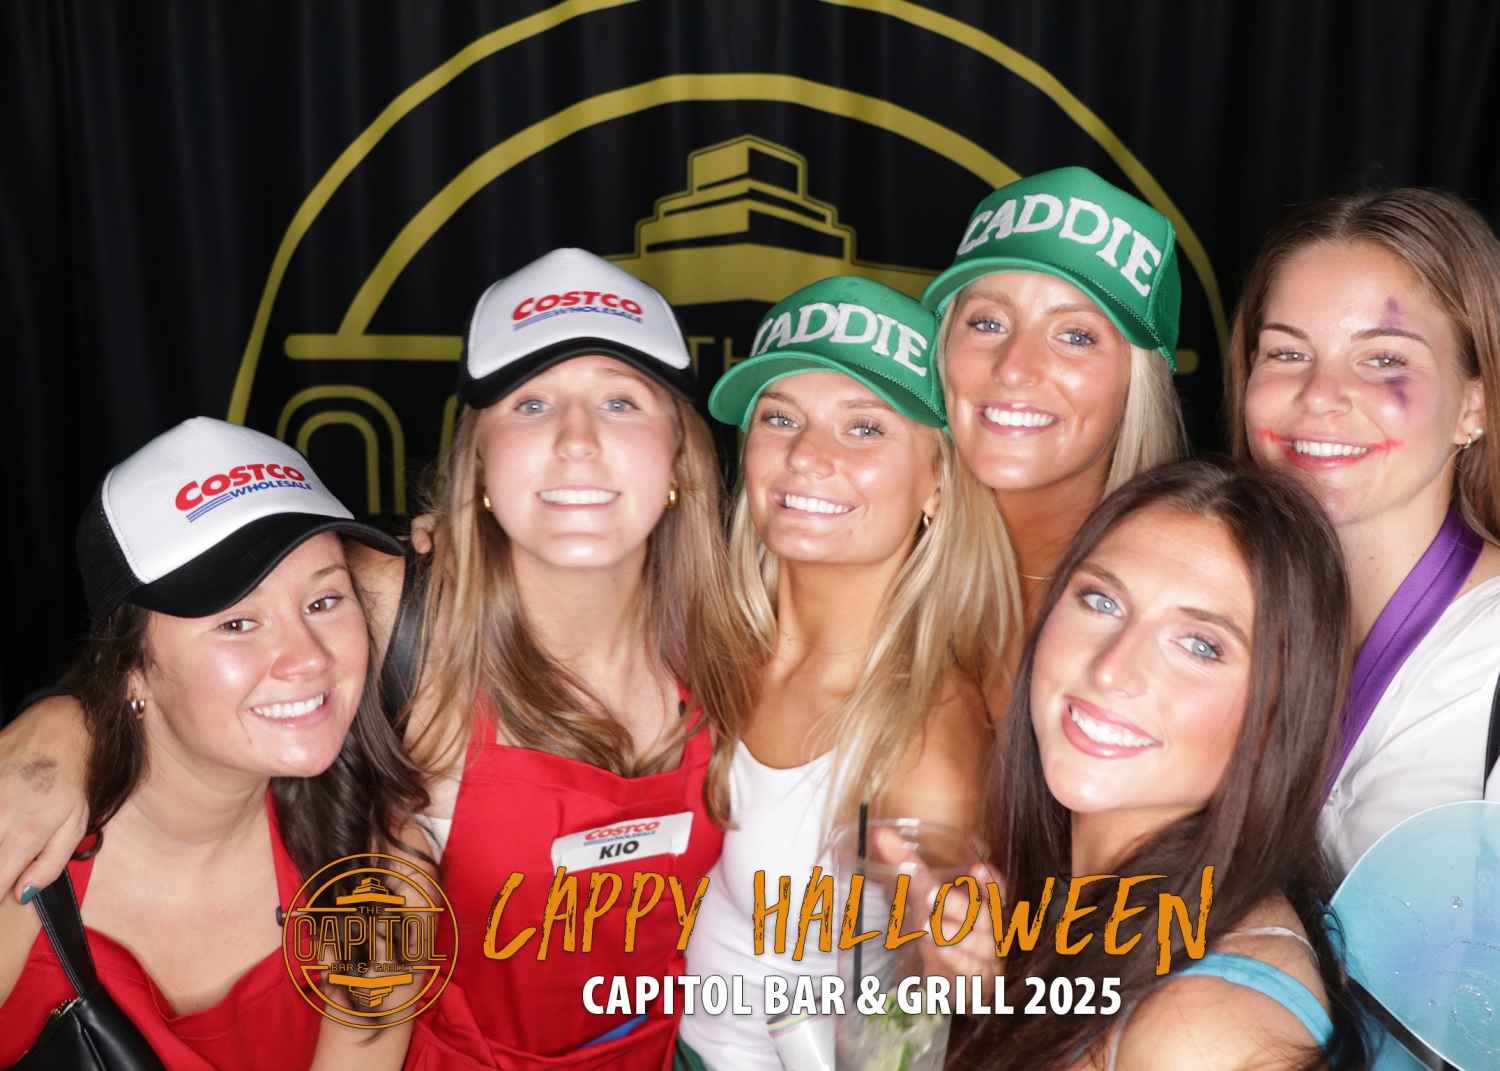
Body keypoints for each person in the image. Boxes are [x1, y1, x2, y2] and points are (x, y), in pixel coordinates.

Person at [0, 249, 754, 1071]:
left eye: (620, 401)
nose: (578, 441)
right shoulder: (402, 613)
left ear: (680, 453)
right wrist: (55, 736)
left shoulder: (747, 630)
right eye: (532, 403)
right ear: (479, 462)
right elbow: (163, 648)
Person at [0, 417, 425, 1069]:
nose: (307, 658)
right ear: (131, 667)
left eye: (323, 601)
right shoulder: (19, 850)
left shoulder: (382, 865)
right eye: (238, 622)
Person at [675, 276, 1001, 1070]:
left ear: (936, 483)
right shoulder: (704, 636)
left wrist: (948, 959)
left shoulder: (923, 732)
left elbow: (910, 1034)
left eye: (864, 427)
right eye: (781, 417)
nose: (807, 455)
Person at [956, 460, 1368, 1071]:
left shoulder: (1204, 1033)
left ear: (1275, 716)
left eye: (1200, 645)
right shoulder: (1067, 906)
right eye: (1101, 601)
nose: (1111, 670)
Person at [1226, 188, 1500, 873]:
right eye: (1286, 353)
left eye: (1383, 360)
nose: (1319, 394)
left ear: (1475, 405)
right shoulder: (1207, 616)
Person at [921, 166, 1186, 693]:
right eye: (988, 323)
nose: (1014, 368)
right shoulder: (876, 544)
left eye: (1075, 336)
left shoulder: (1185, 595)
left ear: (1137, 383)